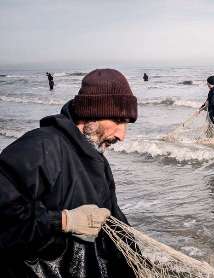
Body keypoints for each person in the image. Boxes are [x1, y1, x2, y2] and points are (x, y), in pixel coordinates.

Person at [0, 69, 138, 277]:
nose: (122, 135)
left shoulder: (97, 160)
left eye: (126, 123)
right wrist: (63, 221)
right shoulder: (41, 147)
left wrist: (137, 265)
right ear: (90, 113)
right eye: (118, 121)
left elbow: (116, 226)